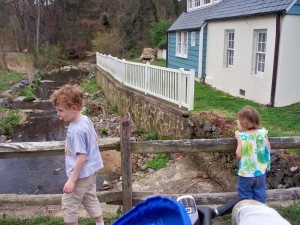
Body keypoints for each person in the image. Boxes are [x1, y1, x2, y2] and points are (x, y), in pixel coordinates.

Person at [50, 84, 105, 225]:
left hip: (81, 173)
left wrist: (72, 180)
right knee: (89, 197)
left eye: (61, 111)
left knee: (69, 203)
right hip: (92, 169)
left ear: (73, 108)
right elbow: (94, 136)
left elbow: (81, 157)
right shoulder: (84, 119)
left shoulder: (76, 130)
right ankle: (100, 223)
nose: (58, 114)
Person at [235, 106, 271, 203]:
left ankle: (248, 213)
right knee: (260, 195)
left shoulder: (242, 136)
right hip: (260, 172)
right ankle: (260, 214)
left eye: (238, 121)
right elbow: (268, 148)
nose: (237, 123)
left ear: (244, 122)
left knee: (246, 197)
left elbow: (238, 154)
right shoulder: (262, 133)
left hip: (246, 173)